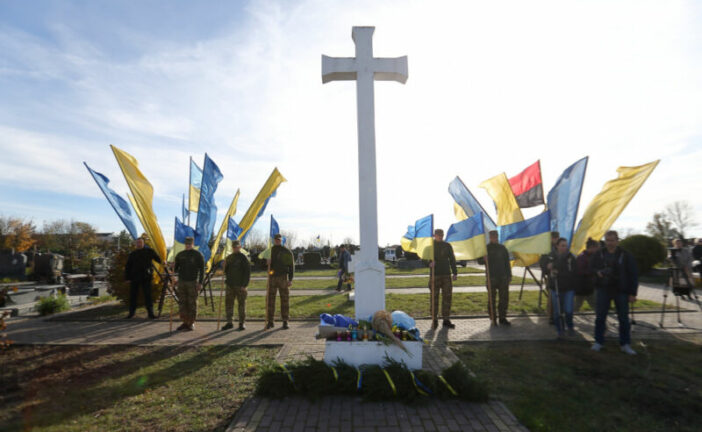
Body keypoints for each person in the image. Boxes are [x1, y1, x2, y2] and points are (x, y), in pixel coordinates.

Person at [591, 230, 639, 355]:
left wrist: (633, 293)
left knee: (623, 318)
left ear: (617, 240)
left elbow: (633, 274)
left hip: (621, 290)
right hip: (603, 289)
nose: (610, 243)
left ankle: (625, 344)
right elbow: (591, 268)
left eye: (612, 240)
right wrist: (598, 272)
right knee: (600, 317)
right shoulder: (599, 254)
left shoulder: (625, 255)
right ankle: (598, 342)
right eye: (607, 240)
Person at [124, 237, 162, 319]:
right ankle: (131, 313)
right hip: (134, 277)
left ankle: (150, 314)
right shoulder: (132, 254)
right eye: (137, 243)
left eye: (140, 242)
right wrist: (127, 278)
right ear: (135, 244)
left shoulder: (149, 251)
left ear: (143, 243)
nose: (139, 244)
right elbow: (128, 266)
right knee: (133, 296)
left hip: (146, 277)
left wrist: (164, 261)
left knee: (148, 296)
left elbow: (158, 259)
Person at [173, 236, 205, 331]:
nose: (188, 245)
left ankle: (191, 323)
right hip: (182, 282)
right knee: (182, 303)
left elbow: (202, 270)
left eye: (189, 244)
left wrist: (200, 282)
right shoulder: (180, 254)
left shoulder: (198, 255)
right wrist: (172, 267)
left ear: (193, 244)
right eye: (186, 244)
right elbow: (176, 269)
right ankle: (184, 322)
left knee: (192, 303)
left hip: (192, 282)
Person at [547, 238, 577, 338]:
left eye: (565, 245)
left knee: (568, 310)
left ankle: (570, 326)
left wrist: (557, 270)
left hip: (568, 288)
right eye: (562, 245)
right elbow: (543, 264)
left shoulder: (571, 257)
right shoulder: (551, 255)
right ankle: (560, 330)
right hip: (555, 287)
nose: (564, 247)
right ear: (557, 246)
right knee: (557, 311)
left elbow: (574, 272)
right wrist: (548, 267)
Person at [430, 229, 458, 329]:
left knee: (447, 298)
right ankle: (434, 320)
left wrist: (454, 272)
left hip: (446, 275)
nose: (440, 236)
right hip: (435, 275)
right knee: (434, 299)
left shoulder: (447, 245)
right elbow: (423, 258)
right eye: (438, 235)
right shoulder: (430, 246)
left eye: (442, 235)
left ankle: (446, 320)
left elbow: (452, 259)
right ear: (434, 235)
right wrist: (428, 263)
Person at [266, 233, 294, 330]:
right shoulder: (269, 251)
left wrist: (290, 279)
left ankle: (285, 321)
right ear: (274, 240)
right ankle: (270, 321)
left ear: (281, 240)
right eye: (276, 239)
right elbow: (261, 265)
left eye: (279, 239)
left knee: (285, 300)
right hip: (272, 278)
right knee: (270, 301)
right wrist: (266, 263)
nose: (277, 241)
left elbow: (291, 267)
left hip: (283, 278)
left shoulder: (286, 252)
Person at [223, 240, 250, 331]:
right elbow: (226, 272)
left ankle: (242, 323)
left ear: (240, 247)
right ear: (232, 247)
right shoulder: (229, 258)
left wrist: (244, 285)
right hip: (230, 285)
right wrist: (224, 266)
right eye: (234, 247)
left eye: (237, 247)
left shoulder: (243, 258)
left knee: (241, 305)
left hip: (240, 285)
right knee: (229, 304)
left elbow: (247, 272)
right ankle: (229, 322)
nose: (235, 248)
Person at [486, 230, 511, 326]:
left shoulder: (502, 248)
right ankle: (493, 318)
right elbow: (480, 261)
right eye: (492, 236)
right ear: (490, 237)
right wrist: (482, 258)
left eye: (496, 236)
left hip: (503, 277)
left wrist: (509, 275)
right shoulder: (486, 248)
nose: (494, 238)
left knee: (504, 299)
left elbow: (506, 263)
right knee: (491, 299)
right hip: (491, 277)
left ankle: (502, 318)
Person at [539, 232, 560, 324]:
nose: (555, 239)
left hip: (561, 277)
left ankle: (559, 315)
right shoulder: (546, 249)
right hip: (550, 276)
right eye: (554, 237)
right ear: (551, 238)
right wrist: (546, 270)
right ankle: (551, 316)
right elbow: (542, 262)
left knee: (559, 297)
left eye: (557, 237)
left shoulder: (560, 248)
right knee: (551, 297)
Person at [574, 238, 599, 312]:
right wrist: (593, 272)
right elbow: (580, 271)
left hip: (589, 285)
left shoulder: (591, 256)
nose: (598, 250)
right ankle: (568, 318)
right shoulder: (582, 257)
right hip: (583, 286)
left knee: (594, 304)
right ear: (591, 247)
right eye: (596, 248)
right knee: (578, 305)